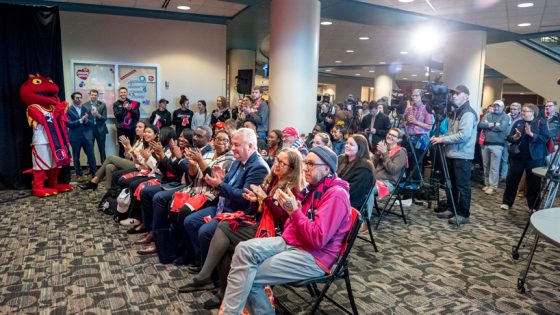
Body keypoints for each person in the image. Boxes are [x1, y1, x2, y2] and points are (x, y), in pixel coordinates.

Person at [219, 146, 352, 314]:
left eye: (311, 164)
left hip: (315, 256)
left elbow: (318, 239)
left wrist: (293, 211)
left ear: (327, 168)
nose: (305, 168)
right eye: (305, 163)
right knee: (243, 249)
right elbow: (292, 223)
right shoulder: (314, 187)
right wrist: (288, 211)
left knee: (248, 276)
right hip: (294, 242)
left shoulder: (336, 195)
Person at [177, 148, 305, 309]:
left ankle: (210, 278)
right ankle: (221, 288)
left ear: (292, 168)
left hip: (275, 233)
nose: (276, 164)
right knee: (226, 242)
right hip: (262, 224)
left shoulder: (293, 188)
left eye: (282, 163)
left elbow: (283, 219)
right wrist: (254, 200)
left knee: (224, 229)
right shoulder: (273, 180)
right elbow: (262, 210)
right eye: (277, 160)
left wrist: (264, 199)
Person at [182, 128, 269, 268]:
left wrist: (221, 184)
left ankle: (208, 271)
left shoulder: (258, 167)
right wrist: (219, 181)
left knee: (205, 231)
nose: (232, 148)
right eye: (232, 144)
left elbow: (244, 198)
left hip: (239, 214)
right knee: (190, 221)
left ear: (251, 146)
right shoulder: (237, 161)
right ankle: (202, 262)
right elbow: (226, 186)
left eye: (236, 145)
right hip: (223, 206)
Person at [430, 85, 478, 225]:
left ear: (466, 96)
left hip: (462, 155)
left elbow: (463, 135)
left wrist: (442, 139)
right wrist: (441, 137)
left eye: (458, 93)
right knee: (450, 184)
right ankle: (452, 208)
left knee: (462, 186)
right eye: (453, 94)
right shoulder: (455, 112)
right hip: (451, 153)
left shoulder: (468, 113)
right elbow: (452, 132)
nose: (454, 96)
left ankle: (463, 213)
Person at [500, 103, 549, 210]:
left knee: (533, 183)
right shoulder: (518, 122)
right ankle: (507, 202)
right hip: (517, 156)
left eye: (525, 111)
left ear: (533, 113)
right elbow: (509, 137)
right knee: (512, 180)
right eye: (522, 110)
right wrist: (515, 137)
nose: (522, 113)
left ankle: (533, 207)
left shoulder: (541, 123)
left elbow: (545, 138)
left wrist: (532, 134)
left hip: (534, 158)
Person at [79, 121, 146, 189]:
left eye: (140, 127)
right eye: (136, 127)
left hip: (139, 166)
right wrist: (126, 149)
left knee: (110, 158)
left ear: (145, 129)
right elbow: (128, 157)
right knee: (109, 166)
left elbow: (140, 159)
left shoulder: (145, 142)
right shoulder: (137, 141)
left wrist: (129, 147)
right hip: (132, 163)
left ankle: (95, 180)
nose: (137, 129)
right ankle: (110, 191)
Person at [478, 100, 510, 194]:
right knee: (485, 165)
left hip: (497, 145)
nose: (496, 108)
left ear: (502, 107)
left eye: (498, 106)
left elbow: (502, 128)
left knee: (494, 167)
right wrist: (495, 124)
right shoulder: (488, 114)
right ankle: (487, 184)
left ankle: (493, 186)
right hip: (485, 144)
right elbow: (480, 124)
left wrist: (489, 125)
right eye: (495, 106)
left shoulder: (505, 117)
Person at [402, 89, 434, 182]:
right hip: (407, 138)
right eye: (413, 95)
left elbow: (429, 126)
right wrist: (406, 121)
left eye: (416, 95)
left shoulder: (426, 109)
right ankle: (405, 185)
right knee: (405, 163)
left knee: (416, 164)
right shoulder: (408, 109)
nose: (414, 97)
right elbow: (401, 123)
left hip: (420, 140)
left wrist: (416, 122)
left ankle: (416, 186)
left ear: (421, 97)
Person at [337, 134, 375, 210]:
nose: (347, 146)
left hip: (349, 202)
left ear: (360, 148)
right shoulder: (342, 158)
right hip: (337, 194)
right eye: (347, 143)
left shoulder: (365, 167)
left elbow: (354, 192)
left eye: (351, 145)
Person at [66, 92, 96, 181]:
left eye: (80, 97)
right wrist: (80, 120)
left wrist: (86, 120)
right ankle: (79, 175)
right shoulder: (68, 110)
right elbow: (68, 124)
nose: (79, 99)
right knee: (76, 156)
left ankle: (94, 174)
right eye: (77, 98)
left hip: (87, 136)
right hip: (75, 137)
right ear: (73, 99)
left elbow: (92, 123)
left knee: (91, 155)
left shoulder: (86, 108)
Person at [372, 128, 407, 197]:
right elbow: (372, 165)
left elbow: (392, 170)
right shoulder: (384, 148)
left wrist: (384, 154)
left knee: (368, 190)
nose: (390, 136)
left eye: (393, 136)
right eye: (389, 134)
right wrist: (377, 154)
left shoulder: (401, 152)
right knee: (357, 185)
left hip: (388, 183)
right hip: (375, 179)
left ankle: (365, 208)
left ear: (399, 139)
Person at [83, 89, 108, 163]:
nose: (93, 96)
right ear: (89, 95)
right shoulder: (85, 105)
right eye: (92, 95)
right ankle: (90, 168)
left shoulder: (102, 105)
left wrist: (98, 115)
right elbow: (84, 119)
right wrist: (86, 119)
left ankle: (104, 166)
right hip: (89, 130)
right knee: (89, 149)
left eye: (95, 95)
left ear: (98, 96)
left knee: (102, 149)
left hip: (101, 130)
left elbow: (104, 118)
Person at [114, 87, 140, 157]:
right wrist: (123, 108)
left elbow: (137, 116)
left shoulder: (134, 103)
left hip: (131, 129)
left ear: (127, 93)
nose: (123, 94)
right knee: (122, 147)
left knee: (132, 146)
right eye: (121, 92)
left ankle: (132, 164)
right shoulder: (116, 104)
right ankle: (121, 165)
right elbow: (117, 116)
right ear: (119, 93)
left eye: (124, 92)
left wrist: (130, 109)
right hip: (121, 129)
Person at [501, 102, 521, 181]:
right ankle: (503, 176)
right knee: (504, 159)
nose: (512, 111)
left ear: (519, 110)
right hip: (505, 140)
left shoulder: (521, 119)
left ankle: (513, 176)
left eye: (514, 109)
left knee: (513, 161)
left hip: (515, 142)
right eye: (511, 109)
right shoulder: (506, 116)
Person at [544, 100, 559, 164]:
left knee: (553, 166)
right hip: (543, 144)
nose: (547, 107)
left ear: (555, 107)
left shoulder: (559, 117)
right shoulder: (541, 117)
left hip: (555, 145)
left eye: (550, 106)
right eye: (546, 106)